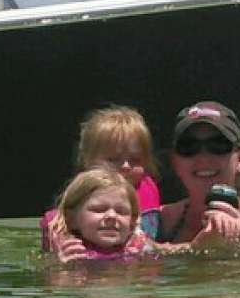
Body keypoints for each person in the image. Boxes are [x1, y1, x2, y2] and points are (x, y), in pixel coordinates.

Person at [156, 101, 240, 249]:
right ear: (174, 162)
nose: (204, 157)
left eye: (218, 145)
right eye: (188, 146)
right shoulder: (157, 222)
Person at [41, 105, 161, 252]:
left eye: (135, 160)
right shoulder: (82, 195)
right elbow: (55, 220)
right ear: (87, 160)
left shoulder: (147, 186)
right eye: (113, 159)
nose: (126, 166)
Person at [49, 167, 154, 262]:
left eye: (121, 212)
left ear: (131, 223)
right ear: (71, 220)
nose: (112, 216)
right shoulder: (69, 253)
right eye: (99, 209)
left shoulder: (141, 250)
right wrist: (63, 270)